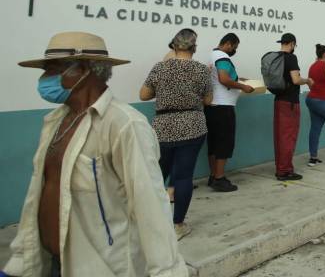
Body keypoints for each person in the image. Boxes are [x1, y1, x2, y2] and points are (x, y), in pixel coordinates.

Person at [5, 32, 186, 277]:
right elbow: (38, 195)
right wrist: (21, 259)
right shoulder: (55, 121)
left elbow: (151, 207)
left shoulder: (124, 124)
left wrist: (167, 271)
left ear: (82, 70)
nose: (44, 79)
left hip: (101, 267)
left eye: (52, 69)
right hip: (48, 264)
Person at [140, 28, 212, 240]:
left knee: (156, 175)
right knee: (183, 176)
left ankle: (147, 223)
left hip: (163, 127)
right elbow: (208, 101)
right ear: (194, 47)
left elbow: (143, 95)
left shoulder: (160, 68)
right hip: (192, 125)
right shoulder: (201, 71)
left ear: (173, 45)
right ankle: (178, 224)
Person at [206, 33, 254, 192]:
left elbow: (222, 77)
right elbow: (224, 79)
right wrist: (243, 87)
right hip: (224, 107)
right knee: (224, 144)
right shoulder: (223, 58)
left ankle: (213, 176)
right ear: (228, 44)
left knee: (213, 144)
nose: (235, 50)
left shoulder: (213, 55)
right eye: (235, 47)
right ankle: (219, 178)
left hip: (213, 106)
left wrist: (240, 79)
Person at [273, 33, 313, 181]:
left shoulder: (276, 57)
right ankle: (285, 171)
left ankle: (280, 168)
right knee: (289, 136)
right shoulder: (291, 58)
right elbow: (295, 80)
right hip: (290, 102)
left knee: (279, 136)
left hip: (278, 100)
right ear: (292, 44)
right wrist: (307, 80)